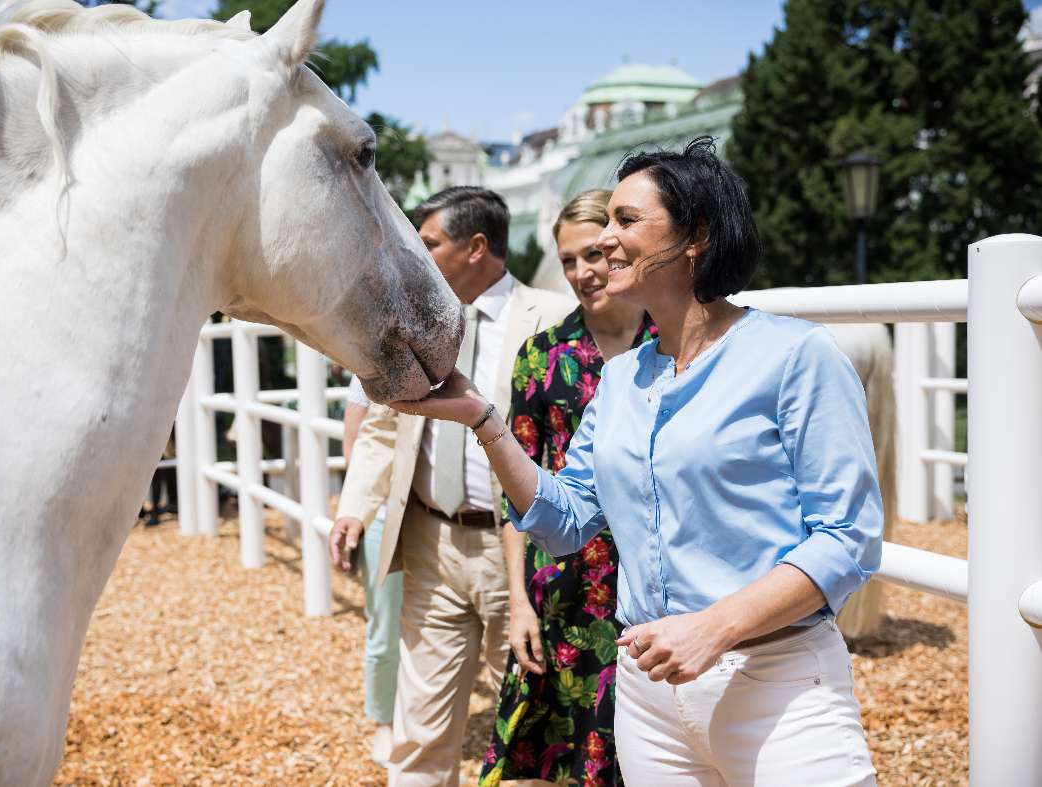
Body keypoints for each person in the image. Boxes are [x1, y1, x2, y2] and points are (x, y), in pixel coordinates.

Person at [396, 138, 883, 786]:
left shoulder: (796, 356)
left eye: (626, 220)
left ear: (696, 236)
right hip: (649, 698)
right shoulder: (621, 379)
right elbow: (563, 519)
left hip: (777, 682)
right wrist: (484, 420)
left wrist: (714, 627)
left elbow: (848, 538)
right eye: (605, 221)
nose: (604, 240)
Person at [330, 187, 575, 787]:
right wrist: (355, 507)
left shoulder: (553, 319)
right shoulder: (413, 323)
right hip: (430, 544)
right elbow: (385, 428)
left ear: (477, 248)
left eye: (429, 242)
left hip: (516, 553)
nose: (415, 253)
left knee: (527, 722)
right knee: (420, 728)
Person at [479, 190, 655, 787]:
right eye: (568, 261)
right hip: (565, 590)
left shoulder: (679, 342)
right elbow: (518, 491)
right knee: (559, 757)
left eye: (594, 255)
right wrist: (518, 604)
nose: (583, 272)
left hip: (658, 585)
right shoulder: (543, 356)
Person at [341, 376, 404, 767]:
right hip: (385, 516)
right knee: (384, 630)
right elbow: (355, 447)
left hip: (437, 517)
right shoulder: (369, 369)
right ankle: (384, 721)